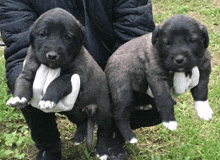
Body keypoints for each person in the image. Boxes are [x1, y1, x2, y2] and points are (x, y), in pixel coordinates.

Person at [0, 0, 162, 159]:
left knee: (152, 94)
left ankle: (113, 136)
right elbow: (19, 48)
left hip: (103, 77)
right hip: (53, 74)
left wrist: (135, 77)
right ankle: (48, 146)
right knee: (27, 84)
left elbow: (134, 38)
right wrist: (23, 81)